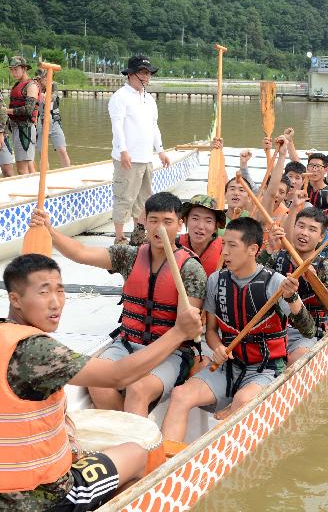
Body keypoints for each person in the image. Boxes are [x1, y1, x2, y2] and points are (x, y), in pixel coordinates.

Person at [0, 254, 203, 512]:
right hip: (43, 502)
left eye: (60, 291)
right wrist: (178, 333)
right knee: (138, 454)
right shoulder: (36, 350)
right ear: (15, 299)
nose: (56, 303)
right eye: (44, 292)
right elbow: (118, 375)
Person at [29, 192, 207, 417]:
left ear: (179, 225)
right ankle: (127, 433)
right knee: (98, 382)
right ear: (144, 220)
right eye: (154, 221)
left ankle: (137, 445)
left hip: (172, 352)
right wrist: (49, 230)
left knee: (138, 388)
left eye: (167, 222)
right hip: (127, 343)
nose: (159, 228)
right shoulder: (130, 256)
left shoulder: (191, 270)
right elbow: (82, 253)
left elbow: (184, 329)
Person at [160, 217, 315, 443]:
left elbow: (308, 329)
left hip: (266, 369)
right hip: (229, 366)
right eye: (224, 245)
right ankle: (166, 463)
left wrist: (292, 298)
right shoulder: (216, 280)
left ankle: (208, 460)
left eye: (232, 246)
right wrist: (217, 347)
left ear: (253, 249)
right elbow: (211, 331)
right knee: (180, 395)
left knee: (243, 401)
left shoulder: (276, 283)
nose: (225, 252)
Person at [261, 208, 328, 364]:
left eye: (312, 229)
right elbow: (251, 281)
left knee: (295, 360)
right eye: (301, 226)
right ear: (293, 228)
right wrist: (270, 248)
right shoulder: (275, 257)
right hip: (273, 327)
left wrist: (315, 282)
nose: (304, 233)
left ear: (321, 237)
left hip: (308, 333)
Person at [109, 55, 170, 244]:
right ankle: (119, 237)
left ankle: (139, 233)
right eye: (142, 73)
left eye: (148, 73)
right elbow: (117, 126)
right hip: (127, 157)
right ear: (131, 74)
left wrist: (160, 150)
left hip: (146, 157)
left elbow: (154, 126)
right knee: (125, 197)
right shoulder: (120, 97)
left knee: (144, 199)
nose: (146, 77)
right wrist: (123, 151)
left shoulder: (149, 99)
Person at [177, 194, 226, 276]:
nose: (200, 226)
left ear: (216, 226)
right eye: (195, 218)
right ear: (185, 221)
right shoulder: (175, 245)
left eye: (208, 221)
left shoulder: (225, 250)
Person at [7, 55, 39, 175]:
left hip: (25, 130)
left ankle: (30, 191)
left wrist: (7, 111)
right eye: (12, 70)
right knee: (23, 168)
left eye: (16, 69)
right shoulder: (16, 85)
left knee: (22, 169)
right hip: (16, 128)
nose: (13, 72)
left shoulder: (31, 86)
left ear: (24, 69)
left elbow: (28, 110)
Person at [35, 68, 72, 168]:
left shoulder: (53, 85)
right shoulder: (34, 88)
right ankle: (44, 176)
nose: (48, 80)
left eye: (49, 77)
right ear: (39, 79)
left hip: (54, 121)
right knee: (43, 153)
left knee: (62, 150)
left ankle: (67, 172)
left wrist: (47, 96)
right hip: (40, 123)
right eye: (45, 78)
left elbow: (53, 96)